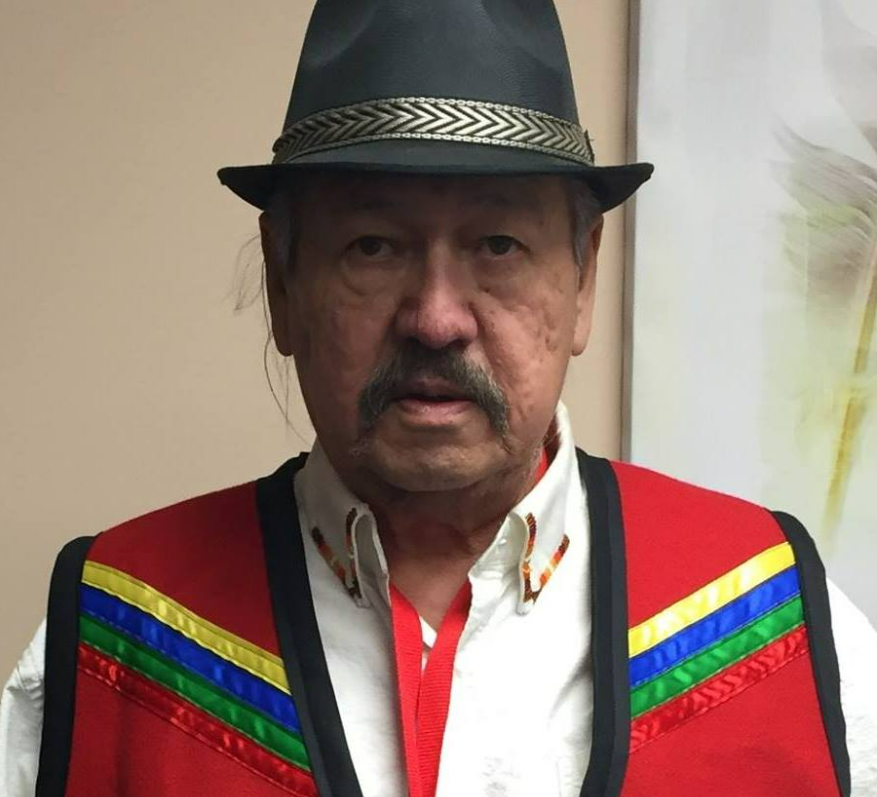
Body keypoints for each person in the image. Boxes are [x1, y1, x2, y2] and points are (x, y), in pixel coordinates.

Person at [2, 1, 876, 795]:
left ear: (582, 282)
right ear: (281, 281)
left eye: (498, 243)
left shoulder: (775, 620)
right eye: (373, 246)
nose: (434, 317)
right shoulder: (120, 634)